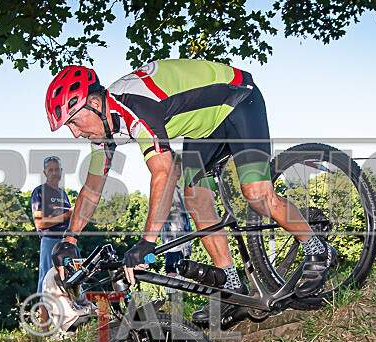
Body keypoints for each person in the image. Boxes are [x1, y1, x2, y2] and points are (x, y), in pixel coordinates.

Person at [46, 59, 336, 326]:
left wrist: (147, 241)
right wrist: (69, 239)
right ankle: (233, 286)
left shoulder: (134, 104)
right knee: (195, 198)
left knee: (256, 192)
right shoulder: (105, 128)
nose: (75, 133)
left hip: (238, 100)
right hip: (204, 129)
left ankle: (318, 249)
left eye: (74, 121)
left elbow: (165, 171)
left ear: (95, 103)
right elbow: (93, 187)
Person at [31, 156, 72, 296]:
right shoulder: (40, 191)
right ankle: (43, 318)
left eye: (56, 169)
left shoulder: (63, 194)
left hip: (67, 242)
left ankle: (66, 316)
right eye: (50, 170)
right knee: (46, 283)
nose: (54, 173)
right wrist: (66, 216)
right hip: (50, 241)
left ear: (61, 171)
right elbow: (39, 223)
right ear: (45, 173)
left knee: (67, 282)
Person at [160, 151, 192, 293]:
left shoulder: (178, 190)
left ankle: (179, 287)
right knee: (173, 264)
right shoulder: (164, 190)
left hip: (184, 238)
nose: (179, 172)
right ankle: (172, 289)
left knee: (184, 266)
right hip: (172, 240)